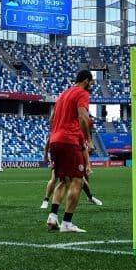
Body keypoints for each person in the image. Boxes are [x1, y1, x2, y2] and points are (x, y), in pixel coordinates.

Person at [45, 70, 95, 233]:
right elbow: (83, 117)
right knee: (78, 181)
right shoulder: (82, 93)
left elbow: (51, 119)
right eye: (91, 83)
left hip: (55, 139)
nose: (91, 86)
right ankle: (67, 223)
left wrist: (56, 133)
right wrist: (88, 140)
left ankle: (53, 216)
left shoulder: (63, 93)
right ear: (87, 81)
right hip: (69, 140)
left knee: (64, 181)